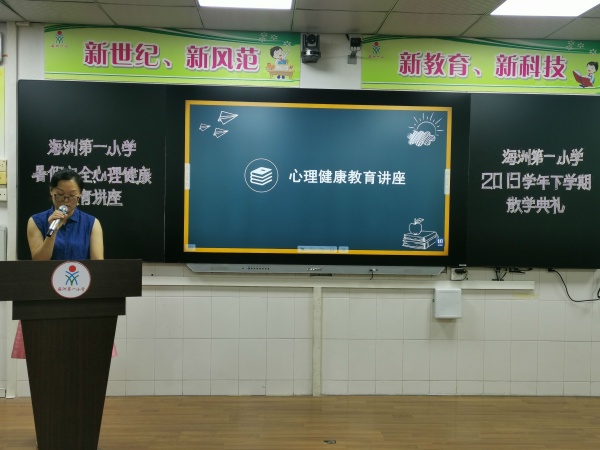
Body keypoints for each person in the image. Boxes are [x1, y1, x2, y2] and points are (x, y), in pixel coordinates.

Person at [11, 168, 115, 358]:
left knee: (82, 355)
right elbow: (39, 260)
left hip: (82, 299)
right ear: (51, 191)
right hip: (46, 300)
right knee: (46, 355)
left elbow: (98, 266)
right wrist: (53, 232)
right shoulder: (36, 221)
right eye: (60, 195)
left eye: (72, 196)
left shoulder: (92, 223)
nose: (66, 201)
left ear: (80, 195)